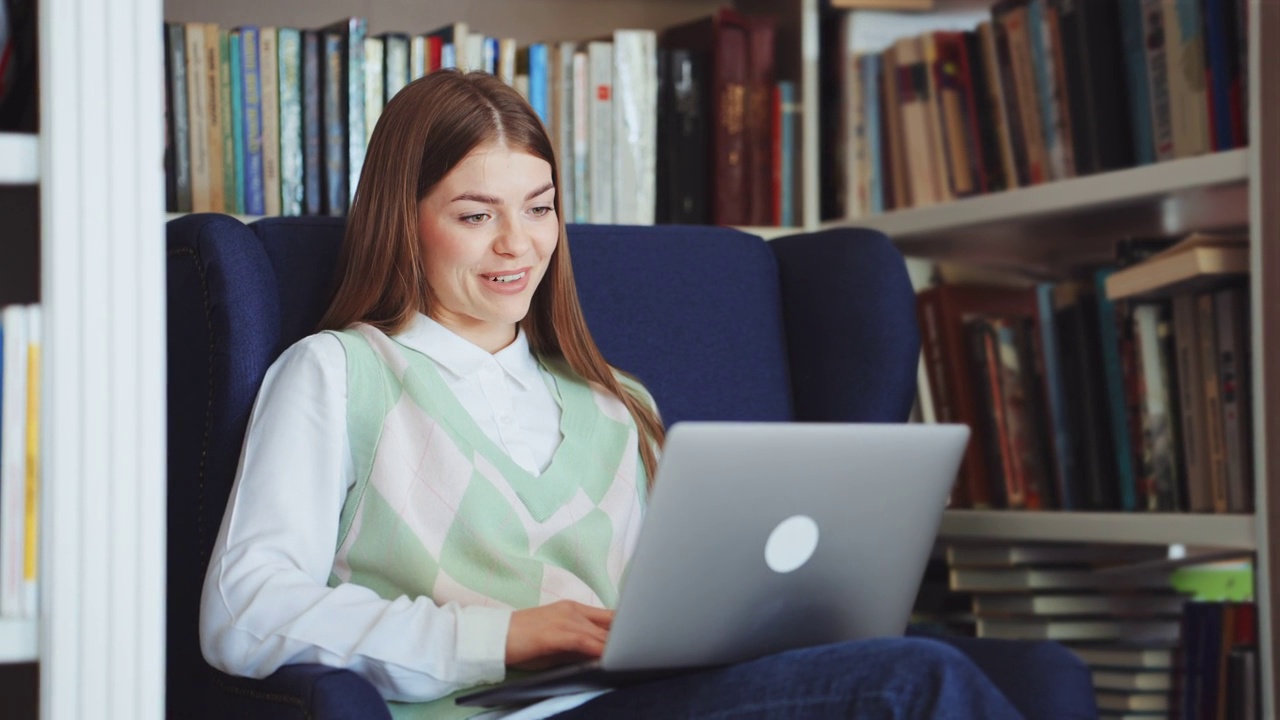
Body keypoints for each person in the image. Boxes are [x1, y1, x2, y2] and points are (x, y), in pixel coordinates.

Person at [199, 70, 1023, 719]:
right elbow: (247, 615)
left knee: (917, 671)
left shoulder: (616, 402)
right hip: (484, 711)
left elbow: (660, 617)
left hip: (637, 699)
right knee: (916, 684)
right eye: (476, 214)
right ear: (402, 219)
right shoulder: (338, 373)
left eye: (540, 208)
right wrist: (501, 637)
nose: (518, 244)